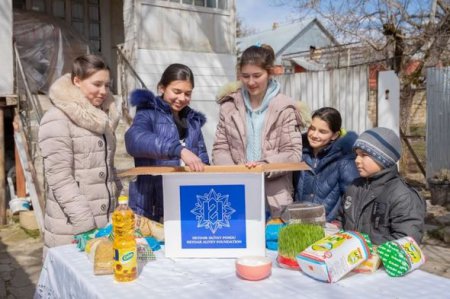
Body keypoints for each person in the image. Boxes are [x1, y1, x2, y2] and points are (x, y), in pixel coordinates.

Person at [39, 54, 122, 252]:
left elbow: (108, 168)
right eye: (97, 84)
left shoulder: (103, 119)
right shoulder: (57, 118)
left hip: (106, 225)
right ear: (77, 81)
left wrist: (121, 204)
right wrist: (86, 225)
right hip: (73, 229)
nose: (103, 91)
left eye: (107, 86)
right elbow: (59, 178)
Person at [212, 44, 303, 218]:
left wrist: (265, 165)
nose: (251, 82)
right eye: (245, 76)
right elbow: (220, 147)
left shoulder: (285, 108)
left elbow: (293, 153)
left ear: (269, 73)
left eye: (257, 75)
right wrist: (235, 172)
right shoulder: (228, 106)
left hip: (275, 196)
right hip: (236, 189)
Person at [125, 63, 209, 221]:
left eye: (187, 93)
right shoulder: (148, 113)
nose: (182, 98)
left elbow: (203, 160)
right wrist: (179, 150)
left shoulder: (193, 122)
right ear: (162, 88)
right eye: (176, 92)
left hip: (186, 204)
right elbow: (135, 139)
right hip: (150, 206)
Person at [335, 127, 426, 245]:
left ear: (383, 159)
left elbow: (406, 241)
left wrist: (367, 251)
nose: (357, 160)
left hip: (382, 263)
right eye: (356, 154)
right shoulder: (354, 187)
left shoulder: (402, 196)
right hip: (350, 261)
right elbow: (341, 220)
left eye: (364, 155)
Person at [293, 107, 359, 222]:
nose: (314, 134)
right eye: (312, 128)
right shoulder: (299, 152)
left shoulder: (344, 159)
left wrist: (338, 222)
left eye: (322, 131)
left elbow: (352, 198)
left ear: (334, 135)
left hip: (329, 227)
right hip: (298, 224)